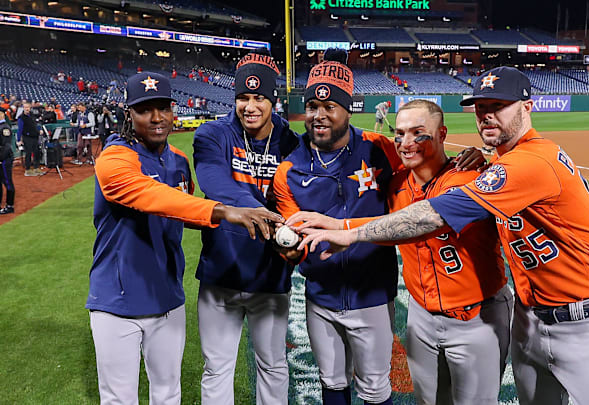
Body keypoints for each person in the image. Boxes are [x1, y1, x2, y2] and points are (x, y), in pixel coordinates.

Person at [297, 66, 589, 405]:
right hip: (527, 316)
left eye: (498, 106)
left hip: (585, 319)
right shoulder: (479, 168)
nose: (487, 116)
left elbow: (433, 214)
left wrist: (347, 232)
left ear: (527, 107)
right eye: (481, 108)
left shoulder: (521, 164)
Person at [286, 100, 512, 405]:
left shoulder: (469, 178)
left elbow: (421, 220)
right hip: (422, 316)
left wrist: (344, 229)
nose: (406, 143)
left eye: (419, 133)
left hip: (477, 315)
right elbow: (386, 223)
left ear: (442, 133)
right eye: (400, 134)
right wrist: (338, 225)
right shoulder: (395, 185)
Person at [87, 71, 284, 405]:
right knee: (119, 399)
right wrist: (227, 212)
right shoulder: (114, 158)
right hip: (117, 301)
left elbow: (182, 211)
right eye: (144, 109)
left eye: (163, 107)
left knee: (168, 395)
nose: (156, 117)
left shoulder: (178, 162)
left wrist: (251, 231)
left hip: (167, 299)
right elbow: (153, 197)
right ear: (128, 114)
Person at [272, 48, 400, 405]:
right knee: (331, 383)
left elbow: (418, 193)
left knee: (375, 387)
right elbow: (292, 241)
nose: (319, 115)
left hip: (371, 294)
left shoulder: (380, 149)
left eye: (330, 107)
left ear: (347, 109)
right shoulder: (290, 169)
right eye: (313, 106)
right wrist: (288, 250)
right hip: (321, 295)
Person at [192, 49, 300, 405]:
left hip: (269, 276)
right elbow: (214, 181)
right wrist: (257, 210)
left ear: (274, 100)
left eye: (259, 98)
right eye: (242, 97)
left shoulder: (291, 143)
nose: (249, 106)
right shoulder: (213, 134)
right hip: (221, 274)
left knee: (272, 366)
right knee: (217, 368)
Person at [16, 101, 43, 176]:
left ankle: (36, 168)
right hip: (27, 137)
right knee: (28, 153)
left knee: (37, 152)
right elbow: (19, 129)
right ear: (23, 108)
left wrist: (39, 130)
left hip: (35, 136)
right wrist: (18, 140)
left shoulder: (32, 115)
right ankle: (27, 170)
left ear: (30, 108)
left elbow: (36, 124)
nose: (27, 109)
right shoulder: (21, 117)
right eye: (25, 107)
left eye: (28, 107)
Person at [0, 109, 15, 214]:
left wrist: (0, 159)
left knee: (7, 182)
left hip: (4, 159)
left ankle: (10, 206)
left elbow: (6, 146)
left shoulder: (4, 127)